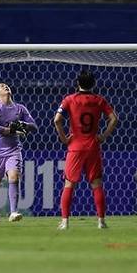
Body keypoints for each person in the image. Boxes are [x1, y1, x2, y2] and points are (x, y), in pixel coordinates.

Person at [54, 70, 118, 230]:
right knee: (96, 184)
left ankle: (65, 222)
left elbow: (57, 120)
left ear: (78, 84)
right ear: (93, 84)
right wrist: (103, 136)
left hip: (75, 146)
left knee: (69, 184)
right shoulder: (99, 100)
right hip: (93, 146)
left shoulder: (69, 99)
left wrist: (63, 138)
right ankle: (101, 221)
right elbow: (114, 118)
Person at [0, 82, 37, 222]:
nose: (6, 86)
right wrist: (12, 130)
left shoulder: (20, 108)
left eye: (6, 85)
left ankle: (14, 212)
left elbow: (34, 126)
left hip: (14, 149)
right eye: (1, 86)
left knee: (14, 177)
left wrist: (25, 125)